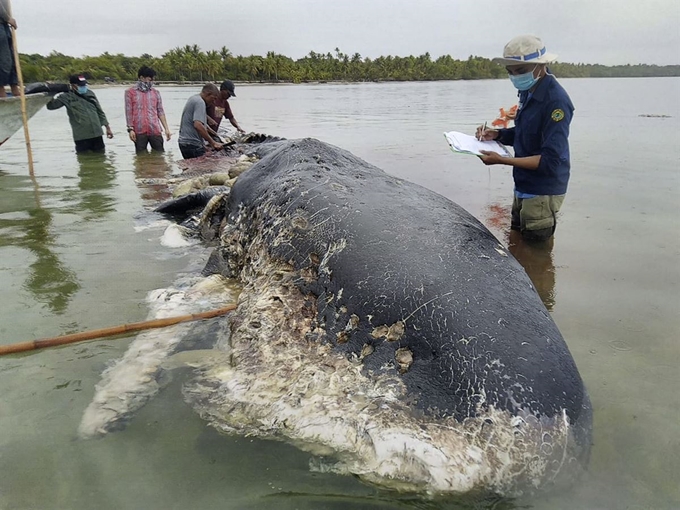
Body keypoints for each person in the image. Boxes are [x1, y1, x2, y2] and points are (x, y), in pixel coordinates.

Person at [476, 35, 574, 241]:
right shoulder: (527, 91)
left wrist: (501, 160)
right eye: (509, 72)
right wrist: (498, 134)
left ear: (540, 66)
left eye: (520, 71)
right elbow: (524, 135)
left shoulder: (556, 102)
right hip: (523, 184)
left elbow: (549, 160)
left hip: (542, 191)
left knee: (538, 254)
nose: (514, 77)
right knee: (517, 243)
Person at [47, 75, 114, 154]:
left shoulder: (90, 93)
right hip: (81, 136)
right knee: (84, 159)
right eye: (80, 85)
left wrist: (107, 127)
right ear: (73, 85)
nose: (83, 87)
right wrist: (51, 91)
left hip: (97, 133)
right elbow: (51, 106)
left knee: (101, 157)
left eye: (84, 85)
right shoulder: (66, 96)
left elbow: (99, 111)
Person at [124, 66, 172, 153]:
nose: (151, 82)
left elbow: (160, 111)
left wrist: (166, 129)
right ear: (142, 78)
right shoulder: (130, 92)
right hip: (139, 130)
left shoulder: (155, 93)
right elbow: (128, 112)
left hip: (154, 129)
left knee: (160, 154)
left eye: (152, 80)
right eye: (150, 80)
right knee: (141, 157)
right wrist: (130, 129)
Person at [178, 83, 223, 159]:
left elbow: (198, 122)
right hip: (192, 144)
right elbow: (198, 125)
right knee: (201, 170)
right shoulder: (200, 102)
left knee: (191, 168)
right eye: (214, 98)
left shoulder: (193, 98)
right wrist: (213, 143)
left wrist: (210, 132)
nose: (214, 101)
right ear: (208, 94)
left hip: (184, 143)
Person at [0, 0, 19, 97]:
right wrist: (8, 18)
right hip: (2, 23)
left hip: (4, 25)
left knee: (12, 58)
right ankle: (1, 92)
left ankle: (14, 87)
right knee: (3, 60)